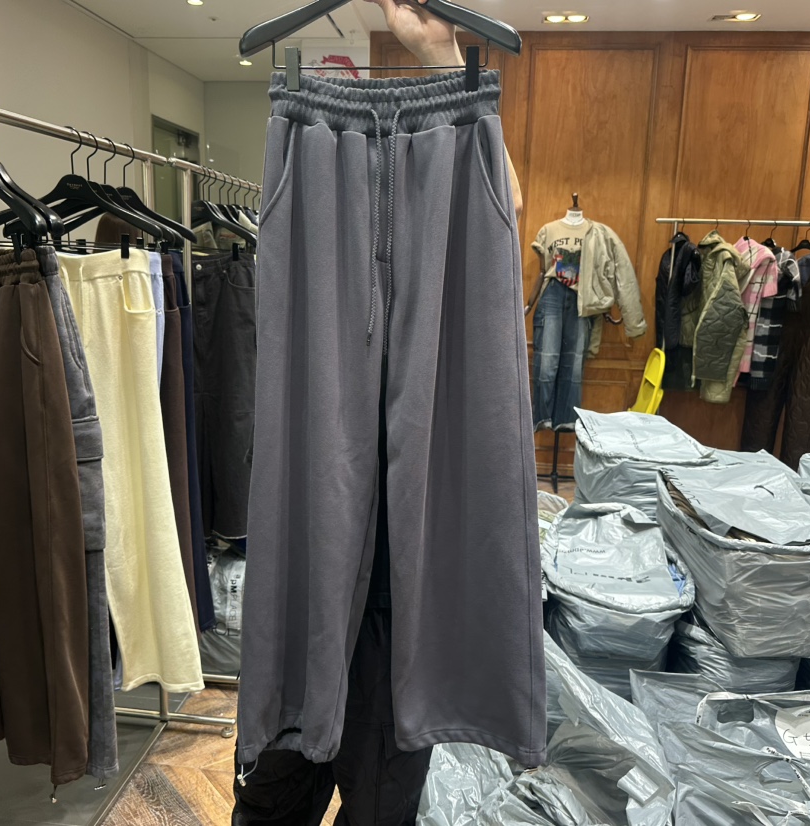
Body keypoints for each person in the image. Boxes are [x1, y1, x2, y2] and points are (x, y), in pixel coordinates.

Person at [232, 2, 524, 824]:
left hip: (401, 601)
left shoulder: (466, 135)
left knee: (378, 792)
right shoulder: (304, 139)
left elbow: (502, 208)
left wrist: (442, 58)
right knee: (281, 781)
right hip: (312, 152)